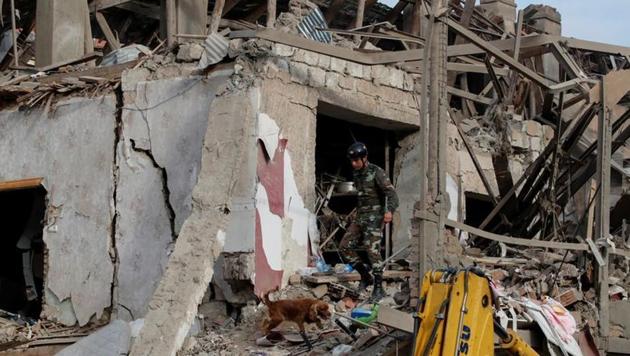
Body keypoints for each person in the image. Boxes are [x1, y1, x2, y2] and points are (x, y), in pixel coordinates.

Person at [339, 142, 399, 301]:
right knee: (344, 246)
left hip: (375, 216)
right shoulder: (356, 174)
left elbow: (392, 194)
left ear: (364, 158)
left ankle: (379, 289)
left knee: (371, 250)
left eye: (356, 160)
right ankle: (365, 275)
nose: (353, 163)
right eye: (351, 161)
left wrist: (389, 211)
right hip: (361, 216)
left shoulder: (377, 172)